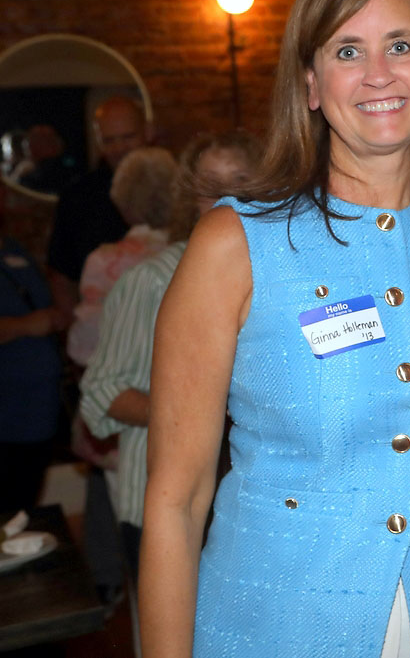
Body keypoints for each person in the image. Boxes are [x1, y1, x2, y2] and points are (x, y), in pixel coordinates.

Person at [140, 0, 410, 657]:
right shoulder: (235, 245)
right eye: (347, 50)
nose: (379, 73)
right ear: (310, 83)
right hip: (271, 629)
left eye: (401, 45)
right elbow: (174, 506)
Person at [80, 131, 261, 578]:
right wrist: (203, 414)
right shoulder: (154, 280)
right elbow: (100, 392)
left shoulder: (288, 279)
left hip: (257, 511)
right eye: (209, 183)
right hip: (165, 505)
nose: (224, 195)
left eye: (239, 179)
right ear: (191, 195)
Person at [67, 146, 176, 366]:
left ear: (123, 203)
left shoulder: (103, 261)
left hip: (121, 386)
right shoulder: (193, 254)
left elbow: (84, 345)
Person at [46, 96, 148, 319]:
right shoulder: (77, 197)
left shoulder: (174, 185)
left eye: (128, 137)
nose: (119, 148)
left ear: (147, 132)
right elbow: (62, 275)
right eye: (109, 140)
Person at [0, 180, 67, 511]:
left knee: (22, 508)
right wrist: (28, 325)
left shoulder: (13, 249)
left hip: (37, 412)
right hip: (7, 413)